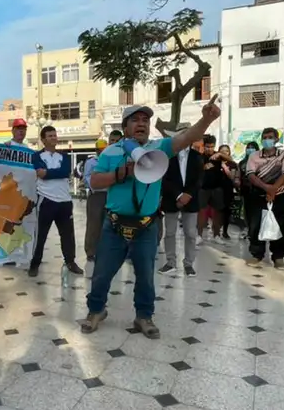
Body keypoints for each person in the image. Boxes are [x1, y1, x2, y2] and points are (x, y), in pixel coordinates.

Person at [83, 97, 221, 338]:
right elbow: (94, 182)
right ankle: (96, 311)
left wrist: (207, 119)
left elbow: (187, 137)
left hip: (146, 226)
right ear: (125, 126)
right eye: (135, 120)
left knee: (146, 275)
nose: (141, 124)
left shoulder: (159, 148)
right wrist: (120, 174)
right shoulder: (111, 152)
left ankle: (143, 316)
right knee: (102, 273)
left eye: (145, 120)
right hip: (114, 225)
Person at [29, 125, 84, 278]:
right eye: (50, 136)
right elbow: (40, 173)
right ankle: (35, 264)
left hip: (65, 201)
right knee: (40, 236)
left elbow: (65, 172)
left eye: (55, 135)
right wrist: (50, 173)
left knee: (68, 235)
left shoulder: (64, 157)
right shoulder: (37, 156)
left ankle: (70, 262)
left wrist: (48, 173)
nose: (54, 138)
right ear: (43, 139)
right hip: (46, 200)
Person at [244, 128, 284, 268]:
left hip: (280, 196)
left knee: (280, 225)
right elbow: (251, 175)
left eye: (270, 137)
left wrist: (274, 189)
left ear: (276, 139)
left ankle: (278, 256)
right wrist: (267, 188)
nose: (267, 140)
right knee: (255, 225)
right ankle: (257, 254)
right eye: (264, 137)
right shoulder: (254, 156)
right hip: (258, 195)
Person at [159, 122, 204, 277]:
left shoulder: (197, 156)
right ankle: (170, 262)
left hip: (191, 199)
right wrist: (178, 195)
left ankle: (189, 264)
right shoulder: (167, 156)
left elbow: (199, 179)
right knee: (170, 232)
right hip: (171, 198)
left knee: (190, 233)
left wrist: (187, 195)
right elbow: (164, 179)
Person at [201, 141, 237, 241]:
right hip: (206, 188)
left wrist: (221, 155)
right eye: (207, 146)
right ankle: (199, 234)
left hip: (220, 189)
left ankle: (218, 234)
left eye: (212, 146)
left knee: (219, 212)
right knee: (202, 212)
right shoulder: (202, 157)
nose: (210, 148)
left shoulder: (220, 157)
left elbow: (232, 162)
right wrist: (203, 167)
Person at [84, 139, 109, 261]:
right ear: (96, 150)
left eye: (104, 149)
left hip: (109, 194)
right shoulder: (91, 162)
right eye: (100, 150)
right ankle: (91, 251)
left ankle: (107, 250)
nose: (102, 152)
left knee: (108, 224)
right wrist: (95, 185)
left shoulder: (109, 160)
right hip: (96, 195)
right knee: (94, 224)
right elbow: (87, 177)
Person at [235, 142, 259, 239]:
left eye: (252, 147)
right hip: (245, 190)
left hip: (257, 190)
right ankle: (249, 230)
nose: (250, 149)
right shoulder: (242, 163)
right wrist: (237, 180)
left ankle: (254, 232)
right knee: (247, 211)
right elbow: (238, 174)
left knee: (256, 211)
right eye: (248, 147)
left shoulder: (260, 161)